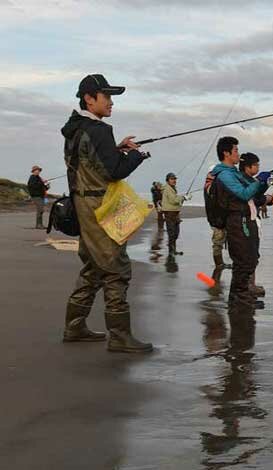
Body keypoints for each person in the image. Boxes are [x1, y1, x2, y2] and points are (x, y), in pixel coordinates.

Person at [60, 74, 153, 353]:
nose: (111, 103)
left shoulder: (76, 128)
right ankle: (120, 336)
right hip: (100, 208)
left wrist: (115, 150)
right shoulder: (98, 130)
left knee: (93, 267)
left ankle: (74, 327)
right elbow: (114, 172)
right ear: (90, 98)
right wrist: (136, 156)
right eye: (107, 97)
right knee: (116, 268)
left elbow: (89, 162)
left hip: (81, 205)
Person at [208, 136, 270, 307]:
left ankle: (241, 297)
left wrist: (263, 183)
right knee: (243, 262)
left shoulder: (234, 173)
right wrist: (258, 181)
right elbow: (243, 194)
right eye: (235, 150)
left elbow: (254, 192)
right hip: (237, 222)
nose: (238, 154)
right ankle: (239, 300)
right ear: (226, 153)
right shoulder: (225, 175)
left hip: (245, 220)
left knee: (249, 260)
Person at [238, 152, 273, 298]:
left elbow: (257, 199)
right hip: (246, 222)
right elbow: (250, 197)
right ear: (248, 167)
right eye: (257, 165)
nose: (259, 167)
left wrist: (269, 198)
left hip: (251, 220)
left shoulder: (246, 180)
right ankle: (247, 287)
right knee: (249, 256)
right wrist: (261, 182)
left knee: (252, 255)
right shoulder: (243, 181)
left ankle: (249, 285)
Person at [205, 165, 232, 270]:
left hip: (219, 217)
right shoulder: (211, 185)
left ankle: (220, 263)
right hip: (216, 218)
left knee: (221, 241)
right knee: (218, 241)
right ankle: (219, 264)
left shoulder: (213, 183)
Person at [161, 172, 188, 256]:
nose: (174, 180)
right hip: (169, 214)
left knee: (176, 233)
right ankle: (171, 251)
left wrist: (183, 198)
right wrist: (183, 197)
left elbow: (175, 200)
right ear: (167, 180)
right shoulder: (167, 189)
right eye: (172, 179)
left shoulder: (172, 188)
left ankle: (173, 250)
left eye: (175, 179)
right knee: (172, 233)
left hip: (175, 214)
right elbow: (174, 200)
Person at [27, 165, 50, 229]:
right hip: (36, 196)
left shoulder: (38, 178)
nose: (38, 171)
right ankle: (39, 225)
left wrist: (47, 186)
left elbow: (42, 188)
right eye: (37, 170)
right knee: (40, 210)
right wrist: (42, 182)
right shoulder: (32, 178)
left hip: (41, 196)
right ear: (33, 171)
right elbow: (33, 186)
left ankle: (39, 224)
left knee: (41, 210)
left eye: (39, 170)